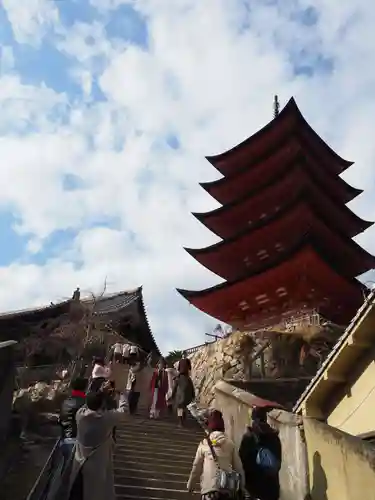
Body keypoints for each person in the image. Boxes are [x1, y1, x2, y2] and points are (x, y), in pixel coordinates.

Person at [60, 391, 122, 500]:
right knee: (95, 493)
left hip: (79, 462)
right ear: (102, 405)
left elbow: (89, 405)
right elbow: (124, 411)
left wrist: (98, 394)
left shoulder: (80, 415)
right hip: (97, 466)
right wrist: (122, 395)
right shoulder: (107, 418)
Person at [187, 410, 244, 499]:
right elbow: (238, 468)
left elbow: (196, 467)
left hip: (209, 489)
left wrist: (191, 485)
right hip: (226, 488)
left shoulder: (204, 444)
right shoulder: (230, 444)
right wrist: (241, 487)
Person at [239, 407, 282, 500]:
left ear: (253, 418)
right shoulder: (274, 437)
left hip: (254, 487)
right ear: (265, 418)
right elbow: (278, 462)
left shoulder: (248, 437)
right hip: (272, 488)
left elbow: (242, 459)